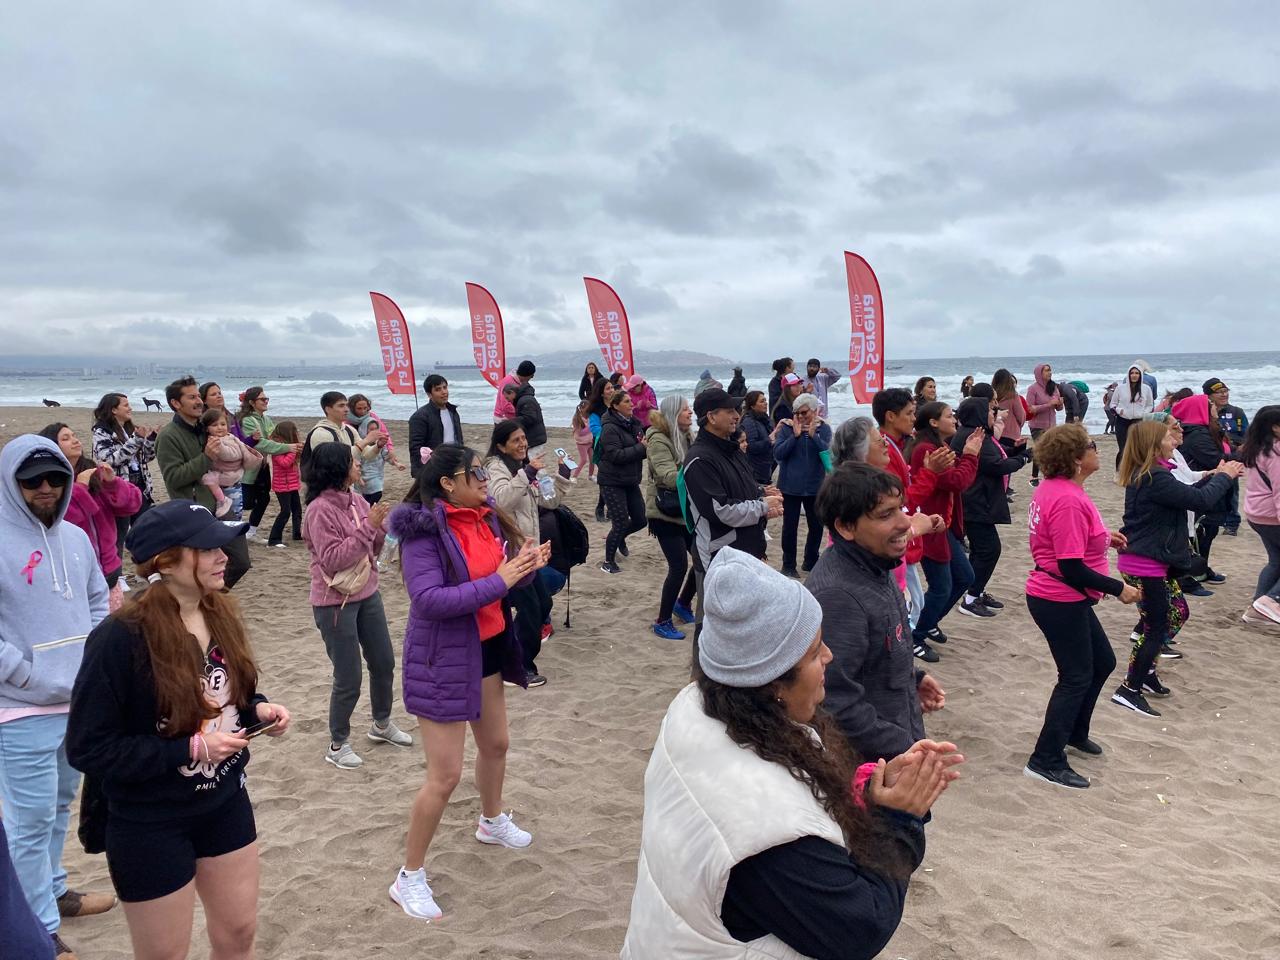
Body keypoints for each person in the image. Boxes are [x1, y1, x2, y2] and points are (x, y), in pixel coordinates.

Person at [621, 545, 962, 958]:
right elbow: (860, 929)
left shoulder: (696, 706)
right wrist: (898, 819)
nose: (830, 657)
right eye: (815, 650)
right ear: (774, 683)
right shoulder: (762, 828)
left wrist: (865, 799)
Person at [65, 500, 291, 960]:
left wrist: (259, 711)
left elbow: (230, 694)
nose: (224, 553)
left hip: (224, 801)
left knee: (239, 933)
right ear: (166, 563)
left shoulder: (220, 610)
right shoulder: (119, 638)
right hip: (149, 820)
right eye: (206, 547)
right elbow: (88, 747)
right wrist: (189, 748)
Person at [387, 444, 549, 921]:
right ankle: (408, 876)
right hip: (442, 658)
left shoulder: (485, 517)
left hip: (488, 649)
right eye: (473, 472)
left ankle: (491, 819)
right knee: (445, 775)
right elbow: (430, 599)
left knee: (497, 745)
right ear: (446, 484)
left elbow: (497, 581)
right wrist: (501, 580)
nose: (483, 478)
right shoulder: (424, 532)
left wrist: (523, 569)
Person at [2, 437, 116, 960]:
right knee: (27, 822)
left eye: (54, 478)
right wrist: (22, 673)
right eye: (32, 481)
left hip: (76, 703)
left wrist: (93, 659)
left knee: (58, 809)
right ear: (11, 482)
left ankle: (54, 892)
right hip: (18, 708)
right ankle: (39, 932)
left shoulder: (74, 536)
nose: (45, 488)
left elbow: (98, 598)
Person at [1023, 425, 1141, 789]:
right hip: (1057, 596)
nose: (1097, 450)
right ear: (1077, 459)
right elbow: (1070, 565)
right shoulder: (1067, 499)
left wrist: (1104, 539)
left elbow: (1064, 541)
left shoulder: (1061, 489)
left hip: (1062, 594)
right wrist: (1118, 587)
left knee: (1102, 662)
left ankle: (1074, 732)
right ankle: (1044, 759)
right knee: (1074, 676)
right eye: (1092, 446)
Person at [807, 462, 949, 761]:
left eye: (902, 508)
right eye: (886, 514)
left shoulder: (875, 560)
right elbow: (834, 701)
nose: (904, 523)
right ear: (845, 526)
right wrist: (907, 749)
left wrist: (911, 678)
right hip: (875, 769)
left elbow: (875, 649)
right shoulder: (839, 596)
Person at [1111, 420, 1241, 717]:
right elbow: (1201, 500)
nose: (1174, 440)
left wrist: (1215, 475)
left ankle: (1144, 674)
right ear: (1155, 444)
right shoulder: (1154, 476)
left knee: (1177, 611)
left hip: (1154, 560)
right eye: (1169, 436)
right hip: (1144, 564)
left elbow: (1189, 495)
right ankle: (1129, 689)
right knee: (1154, 628)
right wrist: (1225, 476)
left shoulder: (1156, 475)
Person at [301, 443, 411, 770]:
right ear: (338, 469)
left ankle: (381, 724)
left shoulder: (356, 500)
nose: (359, 466)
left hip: (367, 592)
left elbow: (372, 548)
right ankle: (338, 742)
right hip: (334, 600)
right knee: (348, 676)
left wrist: (382, 527)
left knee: (383, 662)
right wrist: (368, 526)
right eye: (353, 462)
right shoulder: (319, 510)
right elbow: (333, 559)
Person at [485, 419, 567, 685]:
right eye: (516, 440)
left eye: (523, 439)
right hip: (509, 554)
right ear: (501, 445)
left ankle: (511, 658)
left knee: (543, 604)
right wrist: (527, 473)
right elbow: (501, 501)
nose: (523, 444)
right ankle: (518, 667)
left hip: (528, 553)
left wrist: (563, 475)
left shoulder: (522, 467)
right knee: (531, 608)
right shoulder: (495, 468)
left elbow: (549, 500)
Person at [156, 375, 252, 589]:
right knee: (200, 569)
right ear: (175, 403)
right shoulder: (169, 436)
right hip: (193, 512)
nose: (199, 401)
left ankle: (208, 600)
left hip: (221, 505)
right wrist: (206, 458)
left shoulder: (204, 428)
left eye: (199, 395)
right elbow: (174, 478)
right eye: (191, 397)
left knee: (241, 561)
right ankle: (203, 603)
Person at [905, 403, 982, 662]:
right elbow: (957, 481)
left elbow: (957, 474)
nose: (955, 419)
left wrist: (968, 454)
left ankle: (929, 620)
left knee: (964, 577)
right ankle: (914, 635)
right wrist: (971, 454)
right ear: (934, 422)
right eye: (949, 416)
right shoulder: (924, 449)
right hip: (929, 525)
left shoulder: (940, 446)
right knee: (941, 586)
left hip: (942, 525)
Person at [40, 423, 143, 611]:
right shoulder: (48, 484)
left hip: (109, 571)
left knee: (111, 629)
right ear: (52, 446)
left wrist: (113, 483)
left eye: (74, 435)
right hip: (75, 574)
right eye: (66, 438)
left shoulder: (93, 471)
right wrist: (80, 489)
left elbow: (131, 505)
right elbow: (65, 521)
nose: (75, 440)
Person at [683, 388, 783, 574]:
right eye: (729, 411)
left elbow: (740, 488)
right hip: (723, 557)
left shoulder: (732, 449)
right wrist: (761, 506)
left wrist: (761, 493)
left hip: (748, 548)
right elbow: (720, 510)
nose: (737, 416)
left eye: (736, 410)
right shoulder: (700, 459)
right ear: (711, 417)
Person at [951, 397, 1029, 618]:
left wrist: (1015, 450)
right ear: (977, 413)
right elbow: (996, 466)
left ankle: (974, 591)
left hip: (976, 500)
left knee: (981, 550)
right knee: (989, 550)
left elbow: (998, 454)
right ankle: (970, 598)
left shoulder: (978, 433)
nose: (993, 413)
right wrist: (1024, 459)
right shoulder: (971, 435)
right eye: (989, 410)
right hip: (974, 502)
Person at [645, 394, 698, 640]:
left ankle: (683, 603)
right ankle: (662, 621)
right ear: (673, 413)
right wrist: (696, 471)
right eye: (685, 409)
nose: (690, 413)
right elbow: (667, 475)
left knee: (702, 558)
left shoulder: (687, 436)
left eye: (689, 409)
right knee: (678, 566)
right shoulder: (658, 439)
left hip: (685, 509)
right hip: (664, 512)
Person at [1171, 390, 1235, 581]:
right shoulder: (1197, 434)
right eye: (1211, 405)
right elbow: (1213, 459)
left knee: (1208, 532)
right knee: (1203, 532)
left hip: (1210, 483)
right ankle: (1194, 574)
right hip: (1204, 488)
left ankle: (1202, 570)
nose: (1216, 408)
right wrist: (1238, 458)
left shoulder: (1206, 429)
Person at [772, 393, 832, 577]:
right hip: (790, 486)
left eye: (804, 412)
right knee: (790, 526)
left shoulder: (824, 429)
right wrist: (795, 437)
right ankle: (788, 564)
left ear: (815, 411)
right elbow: (778, 453)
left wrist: (813, 437)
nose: (800, 417)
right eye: (797, 413)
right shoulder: (787, 428)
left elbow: (827, 455)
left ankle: (810, 560)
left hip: (815, 486)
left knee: (816, 526)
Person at [91, 392, 156, 556]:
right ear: (113, 409)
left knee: (146, 533)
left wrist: (150, 440)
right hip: (119, 489)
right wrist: (136, 440)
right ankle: (116, 576)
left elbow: (146, 458)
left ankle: (147, 570)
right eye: (126, 405)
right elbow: (109, 460)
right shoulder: (102, 432)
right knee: (118, 535)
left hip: (140, 487)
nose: (130, 408)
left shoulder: (129, 429)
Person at [235, 386, 302, 540]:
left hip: (263, 467)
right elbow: (261, 444)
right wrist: (287, 447)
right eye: (262, 399)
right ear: (252, 402)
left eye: (267, 399)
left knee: (264, 499)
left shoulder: (266, 419)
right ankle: (231, 525)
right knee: (246, 502)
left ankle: (251, 531)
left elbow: (274, 438)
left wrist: (294, 443)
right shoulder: (247, 421)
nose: (266, 401)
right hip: (249, 467)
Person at [597, 389, 649, 574]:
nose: (631, 404)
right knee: (619, 522)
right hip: (611, 480)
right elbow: (615, 455)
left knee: (641, 519)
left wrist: (643, 448)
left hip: (630, 479)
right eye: (627, 402)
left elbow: (640, 448)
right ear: (616, 406)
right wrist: (640, 448)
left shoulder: (634, 424)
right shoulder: (609, 427)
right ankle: (608, 562)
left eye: (630, 401)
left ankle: (620, 538)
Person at [1242, 406, 1280, 625]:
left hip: (1256, 514)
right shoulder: (1276, 452)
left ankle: (1257, 608)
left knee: (1276, 561)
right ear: (1275, 428)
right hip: (1271, 516)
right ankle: (1270, 599)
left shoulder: (1256, 448)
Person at [199, 406, 263, 519]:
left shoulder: (228, 439)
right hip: (223, 479)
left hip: (230, 480)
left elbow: (234, 454)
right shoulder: (214, 439)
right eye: (214, 425)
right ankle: (222, 502)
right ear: (207, 428)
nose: (219, 428)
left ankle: (227, 508)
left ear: (228, 426)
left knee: (235, 510)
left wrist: (219, 447)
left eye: (222, 424)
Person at [303, 391, 383, 473]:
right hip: (326, 484)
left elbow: (366, 455)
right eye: (341, 406)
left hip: (345, 483)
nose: (346, 409)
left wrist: (378, 446)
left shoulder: (349, 429)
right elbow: (334, 461)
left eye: (346, 405)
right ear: (328, 409)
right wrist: (366, 441)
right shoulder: (320, 433)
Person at [348, 393, 405, 505]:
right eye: (359, 408)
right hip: (356, 452)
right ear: (352, 408)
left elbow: (383, 433)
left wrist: (390, 449)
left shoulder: (372, 417)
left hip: (374, 464)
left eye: (365, 408)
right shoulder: (347, 421)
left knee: (374, 494)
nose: (363, 411)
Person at [408, 374, 464, 479]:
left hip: (453, 462)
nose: (444, 392)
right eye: (438, 389)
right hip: (432, 467)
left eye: (445, 387)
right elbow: (415, 448)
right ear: (429, 394)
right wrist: (423, 472)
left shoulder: (453, 412)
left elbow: (458, 439)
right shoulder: (420, 417)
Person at [1108, 364, 1155, 468]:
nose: (1134, 375)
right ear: (1128, 375)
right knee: (1123, 448)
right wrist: (1119, 411)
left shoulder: (1146, 389)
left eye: (1137, 373)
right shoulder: (1120, 388)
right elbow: (1113, 404)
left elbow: (1150, 405)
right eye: (1132, 373)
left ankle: (1135, 471)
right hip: (1122, 421)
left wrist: (1144, 413)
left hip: (1138, 421)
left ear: (1140, 375)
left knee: (1138, 447)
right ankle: (1119, 472)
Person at [1025, 363, 1065, 485]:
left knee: (1052, 450)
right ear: (1039, 373)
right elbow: (1030, 409)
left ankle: (1049, 475)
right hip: (1037, 425)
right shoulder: (1033, 389)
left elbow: (1058, 409)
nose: (1050, 372)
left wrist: (1060, 404)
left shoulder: (1054, 387)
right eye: (1047, 370)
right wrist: (1049, 404)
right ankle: (1034, 476)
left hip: (1051, 425)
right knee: (1041, 450)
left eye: (1050, 370)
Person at [266, 421, 304, 547]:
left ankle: (297, 534)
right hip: (281, 485)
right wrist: (293, 451)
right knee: (285, 511)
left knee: (297, 509)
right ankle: (274, 539)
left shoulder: (290, 446)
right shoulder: (276, 447)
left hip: (292, 483)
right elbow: (284, 463)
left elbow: (296, 461)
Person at [587, 378, 615, 523]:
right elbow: (594, 428)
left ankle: (610, 509)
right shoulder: (596, 410)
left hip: (617, 447)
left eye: (612, 387)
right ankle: (600, 508)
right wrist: (609, 434)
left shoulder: (617, 405)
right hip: (602, 448)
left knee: (613, 478)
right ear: (601, 393)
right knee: (606, 479)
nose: (611, 390)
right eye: (608, 388)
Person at [512, 362, 549, 462]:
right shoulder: (525, 398)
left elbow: (529, 418)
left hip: (534, 439)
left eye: (507, 397)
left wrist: (512, 421)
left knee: (535, 465)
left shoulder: (526, 399)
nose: (532, 377)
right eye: (532, 374)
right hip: (533, 438)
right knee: (530, 463)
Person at [740, 389, 776, 485]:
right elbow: (751, 446)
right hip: (755, 471)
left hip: (766, 468)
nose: (766, 403)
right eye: (762, 401)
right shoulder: (749, 422)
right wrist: (770, 441)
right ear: (752, 406)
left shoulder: (764, 419)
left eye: (765, 400)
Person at [992, 368, 1028, 457]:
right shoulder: (1013, 396)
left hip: (995, 434)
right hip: (1011, 436)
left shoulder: (992, 397)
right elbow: (1022, 417)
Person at [570, 401, 595, 480]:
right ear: (581, 409)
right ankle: (574, 476)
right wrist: (591, 427)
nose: (588, 411)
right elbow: (581, 433)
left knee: (593, 460)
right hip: (582, 443)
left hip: (590, 442)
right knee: (583, 460)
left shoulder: (590, 417)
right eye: (587, 409)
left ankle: (591, 475)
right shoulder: (577, 418)